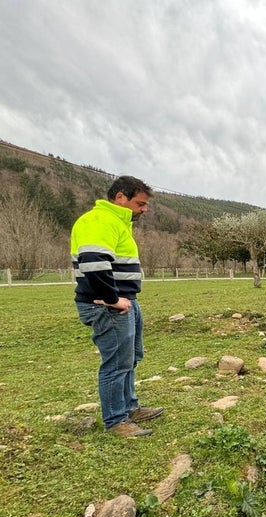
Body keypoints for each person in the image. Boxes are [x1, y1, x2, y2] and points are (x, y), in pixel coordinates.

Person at [71, 175, 164, 438]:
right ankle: (115, 420)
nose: (144, 209)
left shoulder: (118, 223)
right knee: (115, 363)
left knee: (130, 358)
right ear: (120, 197)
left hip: (125, 302)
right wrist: (112, 299)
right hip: (111, 306)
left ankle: (129, 407)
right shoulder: (99, 220)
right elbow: (93, 262)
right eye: (140, 203)